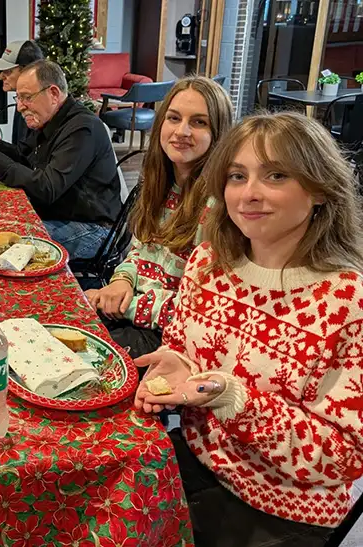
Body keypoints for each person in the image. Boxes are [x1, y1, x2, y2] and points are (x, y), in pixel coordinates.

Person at [135, 112, 363, 547]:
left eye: (276, 175)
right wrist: (175, 363)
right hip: (199, 462)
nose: (249, 194)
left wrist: (232, 397)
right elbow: (181, 346)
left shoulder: (348, 302)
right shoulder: (207, 262)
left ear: (319, 189)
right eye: (237, 176)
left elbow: (345, 455)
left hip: (286, 509)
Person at [85, 76, 233, 359]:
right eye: (174, 118)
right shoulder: (160, 185)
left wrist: (125, 305)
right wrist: (122, 281)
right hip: (134, 315)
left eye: (199, 122)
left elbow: (203, 311)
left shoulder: (218, 207)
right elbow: (139, 250)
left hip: (170, 342)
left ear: (219, 134)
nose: (182, 131)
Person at [0, 60, 122, 260]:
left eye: (27, 97)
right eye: (18, 98)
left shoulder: (82, 129)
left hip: (94, 229)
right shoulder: (50, 119)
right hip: (60, 215)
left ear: (53, 94)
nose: (20, 107)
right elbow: (24, 157)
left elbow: (47, 188)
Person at [0, 40, 44, 144]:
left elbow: (26, 154)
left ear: (28, 70)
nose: (1, 77)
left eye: (7, 71)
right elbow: (20, 150)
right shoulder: (21, 102)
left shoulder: (36, 108)